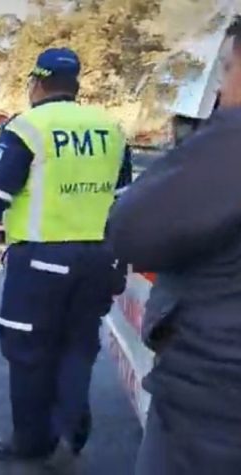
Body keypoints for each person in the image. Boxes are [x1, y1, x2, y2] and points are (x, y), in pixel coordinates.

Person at [0, 48, 131, 464]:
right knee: (77, 346)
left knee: (28, 352)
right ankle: (72, 426)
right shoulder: (112, 130)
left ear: (36, 83)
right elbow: (123, 201)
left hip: (40, 263)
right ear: (76, 84)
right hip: (97, 260)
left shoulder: (30, 127)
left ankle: (33, 442)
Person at [109, 17, 241, 475]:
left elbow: (134, 229)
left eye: (225, 69)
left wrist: (217, 130)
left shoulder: (231, 143)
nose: (220, 89)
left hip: (214, 412)